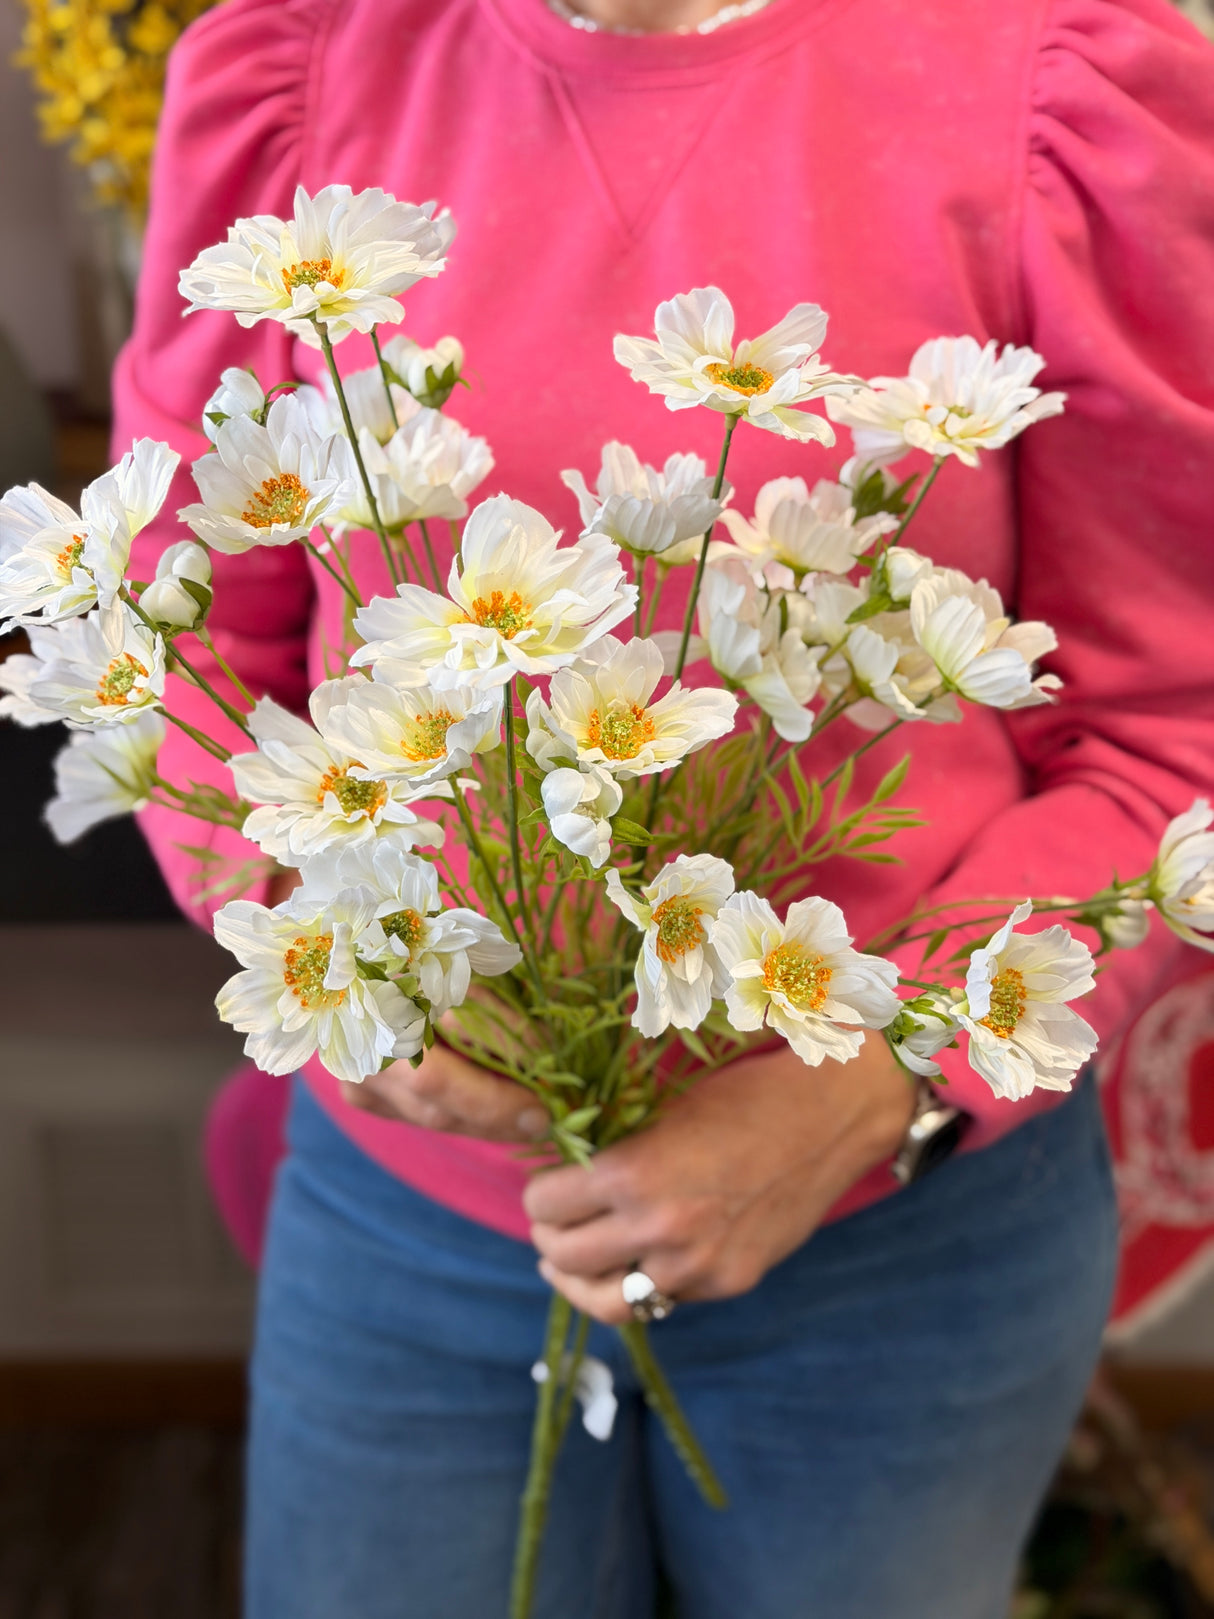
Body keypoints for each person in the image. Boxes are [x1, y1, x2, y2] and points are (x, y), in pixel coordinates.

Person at [113, 0, 1214, 1611]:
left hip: (897, 1238)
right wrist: (330, 953)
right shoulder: (295, 69)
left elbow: (1166, 729)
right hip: (409, 1234)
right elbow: (183, 637)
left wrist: (878, 1083)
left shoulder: (1060, 86)